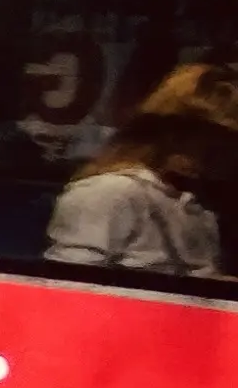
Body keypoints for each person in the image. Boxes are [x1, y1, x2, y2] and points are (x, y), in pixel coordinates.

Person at [45, 61, 238, 280]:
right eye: (200, 136)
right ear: (165, 131)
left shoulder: (198, 206)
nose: (211, 153)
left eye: (225, 144)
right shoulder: (110, 193)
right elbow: (68, 287)